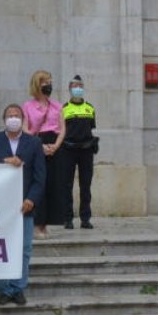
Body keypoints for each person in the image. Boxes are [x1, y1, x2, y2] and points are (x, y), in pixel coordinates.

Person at [0, 103, 46, 306]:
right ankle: (4, 288)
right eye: (9, 115)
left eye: (17, 115)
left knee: (23, 249)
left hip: (24, 205)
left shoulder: (33, 143)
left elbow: (40, 176)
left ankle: (18, 288)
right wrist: (3, 161)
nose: (13, 118)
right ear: (4, 119)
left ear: (23, 119)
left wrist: (31, 199)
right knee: (1, 248)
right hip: (0, 205)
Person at [21, 69, 65, 239]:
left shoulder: (57, 105)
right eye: (45, 82)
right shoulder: (28, 106)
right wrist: (39, 146)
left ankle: (46, 224)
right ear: (37, 84)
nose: (48, 85)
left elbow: (62, 129)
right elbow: (25, 128)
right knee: (38, 184)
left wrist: (55, 146)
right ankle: (36, 224)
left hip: (54, 146)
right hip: (36, 144)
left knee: (53, 185)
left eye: (50, 81)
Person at [60, 75, 98, 229]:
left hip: (86, 150)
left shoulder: (90, 108)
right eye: (75, 86)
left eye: (80, 86)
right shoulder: (64, 109)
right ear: (70, 89)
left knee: (86, 186)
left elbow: (91, 127)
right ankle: (67, 218)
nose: (78, 89)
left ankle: (85, 218)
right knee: (67, 185)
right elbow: (61, 130)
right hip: (68, 149)